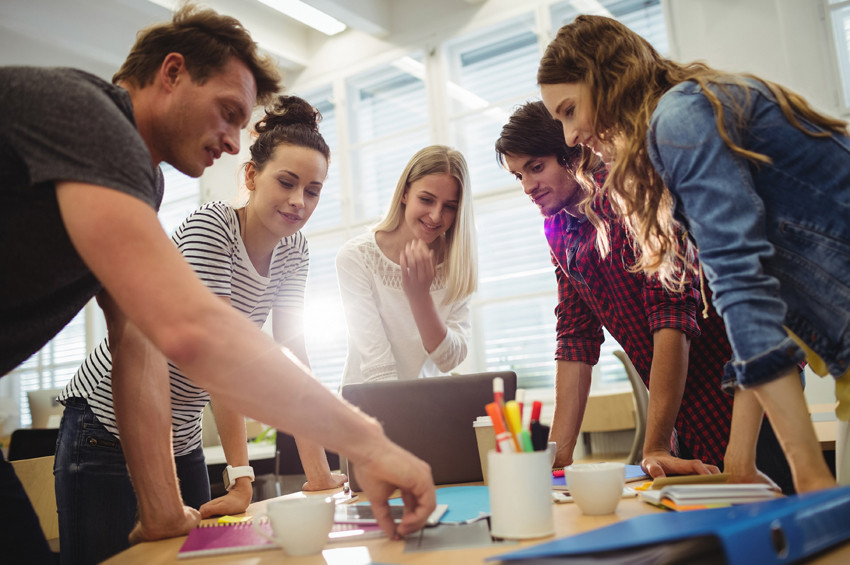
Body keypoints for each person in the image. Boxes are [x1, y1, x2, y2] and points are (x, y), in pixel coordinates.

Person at [0, 5, 434, 564]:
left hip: (173, 437)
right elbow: (194, 332)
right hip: (96, 431)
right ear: (172, 72)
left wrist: (160, 505)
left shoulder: (142, 181)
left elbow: (137, 335)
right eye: (227, 113)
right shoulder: (91, 117)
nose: (233, 143)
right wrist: (370, 445)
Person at [537, 14, 849, 493]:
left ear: (605, 80)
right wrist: (739, 458)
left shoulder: (679, 121)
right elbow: (762, 309)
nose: (570, 136)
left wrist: (808, 476)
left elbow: (745, 292)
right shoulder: (684, 117)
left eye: (569, 110)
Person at [54, 95, 347, 564]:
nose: (298, 202)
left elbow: (294, 354)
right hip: (105, 428)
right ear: (251, 177)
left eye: (312, 191)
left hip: (181, 436)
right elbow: (218, 358)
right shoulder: (211, 229)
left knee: (199, 561)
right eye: (287, 183)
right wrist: (241, 476)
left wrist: (319, 472)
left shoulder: (295, 251)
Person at [494, 101, 792, 491]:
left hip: (744, 392)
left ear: (572, 152)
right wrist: (558, 459)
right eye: (519, 176)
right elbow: (575, 339)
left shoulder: (631, 195)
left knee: (780, 525)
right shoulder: (558, 230)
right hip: (682, 412)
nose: (529, 186)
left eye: (536, 167)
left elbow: (671, 316)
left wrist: (653, 444)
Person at [336, 145, 478, 385]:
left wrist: (420, 298)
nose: (435, 215)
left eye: (449, 207)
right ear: (404, 193)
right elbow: (377, 365)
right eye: (426, 199)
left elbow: (449, 360)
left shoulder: (457, 265)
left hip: (421, 407)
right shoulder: (357, 257)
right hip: (366, 405)